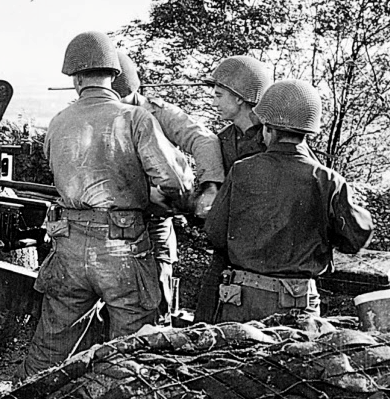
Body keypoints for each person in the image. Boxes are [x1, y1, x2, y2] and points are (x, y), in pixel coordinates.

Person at [17, 32, 189, 380]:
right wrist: (159, 199)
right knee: (132, 347)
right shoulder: (135, 118)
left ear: (75, 78)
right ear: (114, 74)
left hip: (68, 242)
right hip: (122, 245)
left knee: (53, 342)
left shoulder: (58, 121)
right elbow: (174, 181)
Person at [204, 79, 373, 322]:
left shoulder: (241, 170)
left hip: (242, 300)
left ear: (267, 128)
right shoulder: (328, 180)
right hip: (297, 304)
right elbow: (355, 238)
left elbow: (215, 231)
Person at [112, 51, 224, 321]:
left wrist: (210, 187)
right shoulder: (94, 115)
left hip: (153, 223)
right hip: (110, 225)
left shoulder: (157, 113)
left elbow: (203, 140)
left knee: (157, 302)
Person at [194, 54, 274, 323]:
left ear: (239, 98)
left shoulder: (275, 138)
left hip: (266, 255)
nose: (213, 102)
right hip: (227, 250)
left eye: (219, 95)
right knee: (205, 321)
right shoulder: (223, 140)